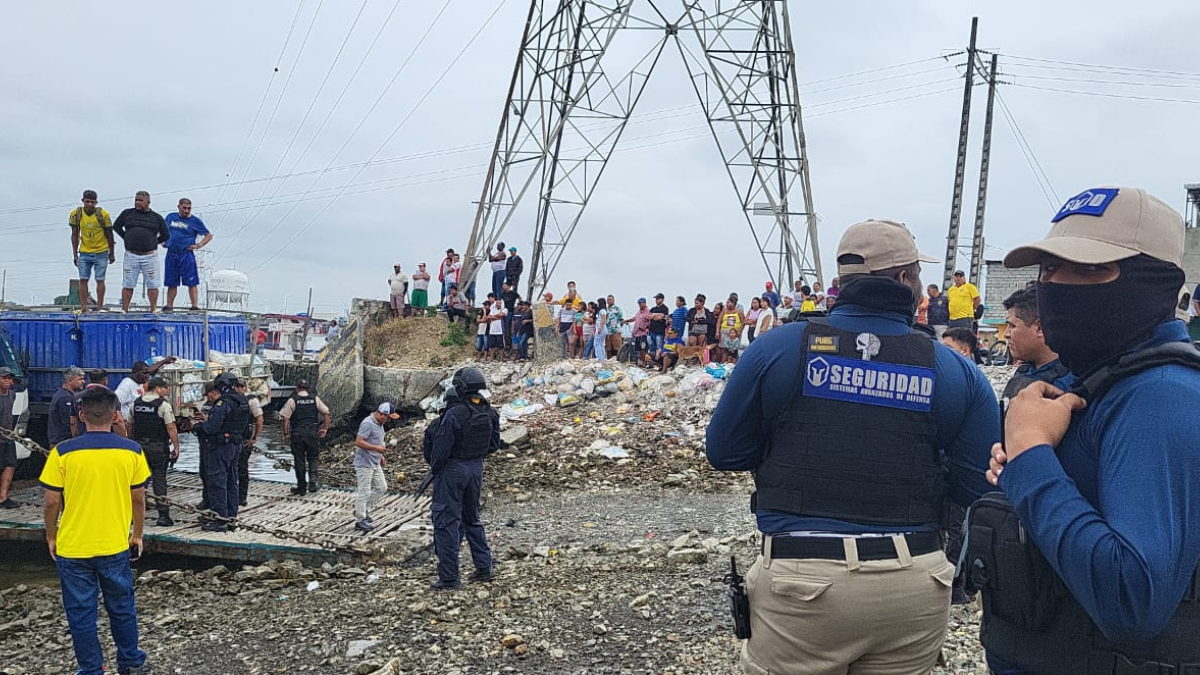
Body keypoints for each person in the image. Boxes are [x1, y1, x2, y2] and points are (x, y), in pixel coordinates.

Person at [706, 218, 998, 675]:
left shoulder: (777, 348)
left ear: (844, 282)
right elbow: (976, 485)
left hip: (801, 582)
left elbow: (724, 452)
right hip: (911, 582)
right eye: (918, 274)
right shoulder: (954, 370)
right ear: (904, 280)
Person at [979, 187, 1200, 675]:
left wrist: (1032, 453)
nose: (1055, 283)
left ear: (1153, 282)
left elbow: (1133, 601)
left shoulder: (1161, 395)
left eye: (1088, 268)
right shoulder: (1101, 380)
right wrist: (1024, 466)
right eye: (1048, 268)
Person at [40, 386, 153, 675]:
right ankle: (130, 662)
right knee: (122, 607)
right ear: (116, 414)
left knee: (81, 614)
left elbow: (52, 502)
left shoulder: (62, 452)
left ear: (81, 414)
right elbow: (138, 498)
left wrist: (51, 535)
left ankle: (91, 669)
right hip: (113, 544)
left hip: (73, 546)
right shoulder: (132, 451)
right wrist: (137, 534)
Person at [422, 367, 499, 590]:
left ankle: (449, 577)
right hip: (476, 468)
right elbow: (494, 445)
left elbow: (439, 451)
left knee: (446, 522)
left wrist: (437, 469)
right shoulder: (489, 412)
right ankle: (484, 567)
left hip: (452, 469)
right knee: (472, 518)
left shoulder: (454, 415)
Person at [198, 372, 250, 532]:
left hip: (220, 447)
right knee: (232, 481)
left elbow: (212, 427)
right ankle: (231, 517)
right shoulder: (242, 400)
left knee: (217, 482)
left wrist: (197, 427)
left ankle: (220, 520)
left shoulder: (223, 403)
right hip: (235, 445)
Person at [1000, 286, 1073, 397]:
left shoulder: (1069, 385)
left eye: (1012, 326)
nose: (1006, 334)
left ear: (1040, 328)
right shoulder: (1024, 372)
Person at [129, 376, 180, 526]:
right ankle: (163, 515)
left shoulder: (136, 403)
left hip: (139, 447)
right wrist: (176, 447)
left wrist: (132, 442)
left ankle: (132, 515)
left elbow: (129, 425)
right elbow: (171, 427)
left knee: (136, 481)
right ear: (157, 388)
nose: (167, 391)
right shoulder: (163, 405)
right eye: (165, 388)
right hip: (157, 447)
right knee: (159, 480)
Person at [112, 191, 169, 314]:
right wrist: (126, 238)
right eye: (136, 200)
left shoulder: (156, 218)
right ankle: (124, 309)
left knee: (152, 284)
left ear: (148, 202)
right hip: (131, 255)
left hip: (149, 256)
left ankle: (153, 309)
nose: (137, 202)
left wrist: (153, 243)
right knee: (128, 283)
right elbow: (116, 226)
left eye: (140, 200)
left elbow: (166, 235)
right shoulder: (127, 213)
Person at [279, 379, 330, 496]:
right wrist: (325, 428)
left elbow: (285, 418)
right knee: (313, 457)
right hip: (312, 433)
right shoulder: (315, 399)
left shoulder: (293, 400)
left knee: (299, 460)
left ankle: (301, 487)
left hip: (298, 434)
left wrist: (286, 434)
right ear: (308, 388)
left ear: (297, 389)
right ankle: (313, 483)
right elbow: (327, 413)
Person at [161, 197, 212, 312]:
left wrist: (199, 245)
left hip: (186, 254)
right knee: (171, 282)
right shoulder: (171, 217)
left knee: (191, 282)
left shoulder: (195, 221)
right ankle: (169, 306)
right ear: (178, 206)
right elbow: (162, 229)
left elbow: (208, 235)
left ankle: (194, 306)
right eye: (184, 208)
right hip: (172, 253)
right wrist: (163, 241)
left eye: (189, 208)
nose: (186, 211)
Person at [69, 190, 115, 313]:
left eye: (92, 202)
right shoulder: (76, 214)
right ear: (83, 201)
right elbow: (74, 234)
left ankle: (99, 308)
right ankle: (83, 307)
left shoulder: (103, 214)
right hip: (84, 251)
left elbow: (110, 234)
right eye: (87, 202)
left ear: (96, 202)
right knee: (83, 279)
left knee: (100, 279)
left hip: (101, 251)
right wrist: (75, 254)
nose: (89, 204)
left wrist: (112, 253)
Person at [354, 403, 397, 532]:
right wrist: (376, 449)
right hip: (364, 463)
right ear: (382, 414)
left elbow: (377, 440)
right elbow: (359, 441)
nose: (388, 420)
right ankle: (360, 519)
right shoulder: (368, 423)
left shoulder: (380, 424)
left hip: (374, 461)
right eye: (388, 417)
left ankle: (360, 510)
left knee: (381, 487)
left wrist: (380, 455)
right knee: (364, 491)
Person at [115, 359, 176, 425]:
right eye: (144, 373)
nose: (147, 376)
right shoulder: (126, 385)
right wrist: (121, 421)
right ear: (134, 372)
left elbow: (149, 370)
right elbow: (115, 402)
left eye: (148, 374)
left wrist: (164, 361)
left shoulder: (139, 382)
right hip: (128, 423)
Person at [235, 379, 264, 507]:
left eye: (242, 386)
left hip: (244, 440)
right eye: (237, 386)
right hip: (231, 440)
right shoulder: (229, 400)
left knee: (242, 469)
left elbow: (259, 419)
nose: (239, 389)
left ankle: (242, 497)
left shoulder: (252, 400)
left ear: (245, 388)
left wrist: (254, 438)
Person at [194, 382, 219, 510]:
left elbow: (215, 425)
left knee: (213, 474)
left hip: (215, 445)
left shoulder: (220, 405)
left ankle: (215, 503)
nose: (208, 397)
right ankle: (206, 499)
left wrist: (205, 420)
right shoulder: (207, 405)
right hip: (203, 443)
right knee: (203, 472)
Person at [49, 367, 86, 450]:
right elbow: (68, 424)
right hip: (63, 443)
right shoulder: (65, 398)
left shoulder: (61, 394)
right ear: (70, 381)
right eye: (80, 379)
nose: (83, 382)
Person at [0, 367, 18, 509]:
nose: (7, 381)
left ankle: (3, 496)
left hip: (8, 436)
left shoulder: (12, 395)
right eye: (4, 378)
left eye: (9, 378)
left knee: (11, 465)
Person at [627, 297, 651, 364]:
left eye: (641, 303)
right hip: (637, 333)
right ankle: (642, 362)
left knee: (644, 349)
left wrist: (645, 327)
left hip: (643, 334)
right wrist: (626, 321)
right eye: (639, 304)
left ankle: (645, 362)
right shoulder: (638, 312)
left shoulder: (648, 311)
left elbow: (650, 322)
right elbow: (635, 319)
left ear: (644, 303)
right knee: (639, 349)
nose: (640, 305)